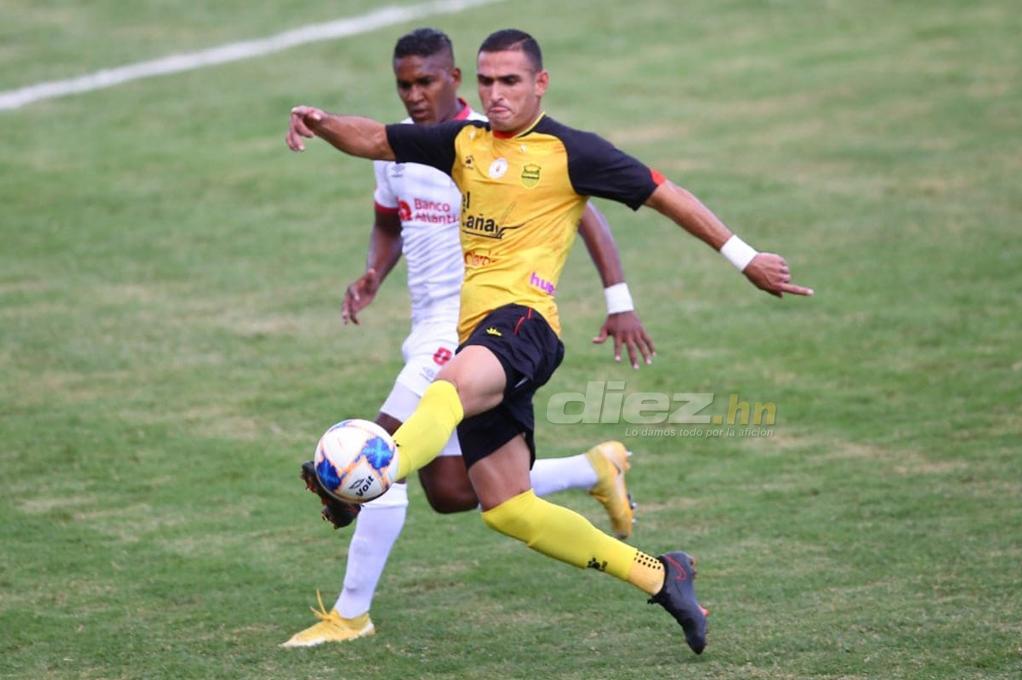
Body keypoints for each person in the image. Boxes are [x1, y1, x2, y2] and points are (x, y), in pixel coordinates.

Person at [286, 28, 813, 656]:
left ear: (540, 83)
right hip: (476, 330)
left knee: (450, 386)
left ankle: (379, 470)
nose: (496, 93)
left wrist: (746, 257)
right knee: (506, 508)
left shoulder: (573, 152)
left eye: (510, 81)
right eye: (487, 81)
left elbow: (665, 193)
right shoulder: (463, 142)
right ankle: (661, 575)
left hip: (523, 325)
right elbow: (373, 137)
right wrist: (320, 123)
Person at [283, 28, 656, 648]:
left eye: (426, 82)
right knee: (456, 491)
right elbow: (388, 222)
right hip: (424, 327)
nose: (415, 96)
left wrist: (620, 299)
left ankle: (351, 615)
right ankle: (593, 468)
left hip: (473, 331)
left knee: (379, 461)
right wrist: (374, 273)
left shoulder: (496, 141)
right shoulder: (400, 150)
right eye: (403, 85)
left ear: (455, 76)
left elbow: (585, 212)